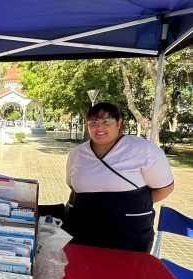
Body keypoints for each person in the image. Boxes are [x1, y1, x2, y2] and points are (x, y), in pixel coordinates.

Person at [65, 102, 174, 252]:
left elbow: (165, 188)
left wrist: (128, 205)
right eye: (93, 122)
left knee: (127, 274)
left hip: (130, 236)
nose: (99, 127)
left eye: (107, 121)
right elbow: (72, 185)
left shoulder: (145, 150)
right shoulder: (76, 154)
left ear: (119, 123)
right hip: (81, 231)